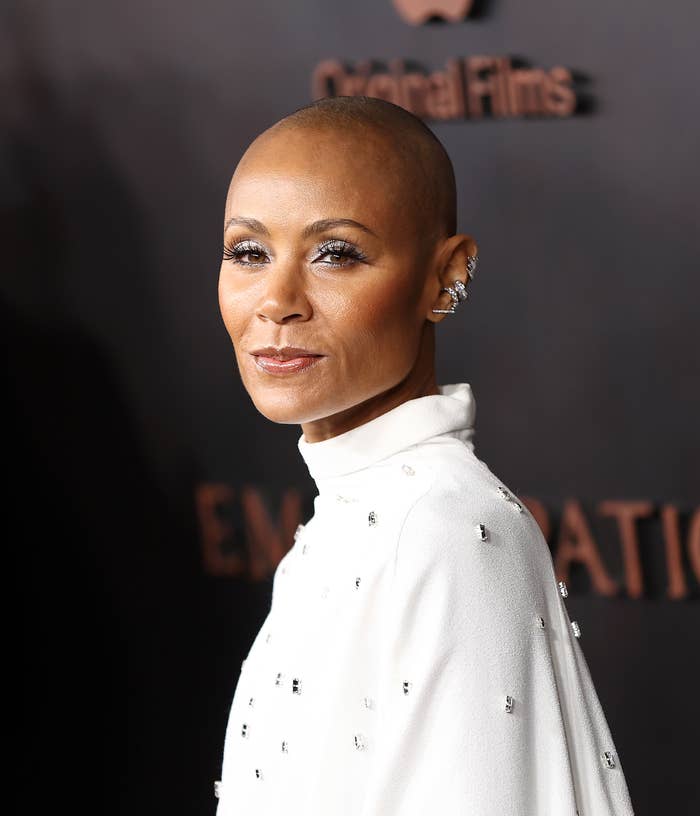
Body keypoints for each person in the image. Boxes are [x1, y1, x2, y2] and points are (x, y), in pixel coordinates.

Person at [214, 95, 635, 815]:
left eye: (335, 253)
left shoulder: (443, 530)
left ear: (446, 275)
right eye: (249, 252)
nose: (277, 301)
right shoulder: (353, 516)